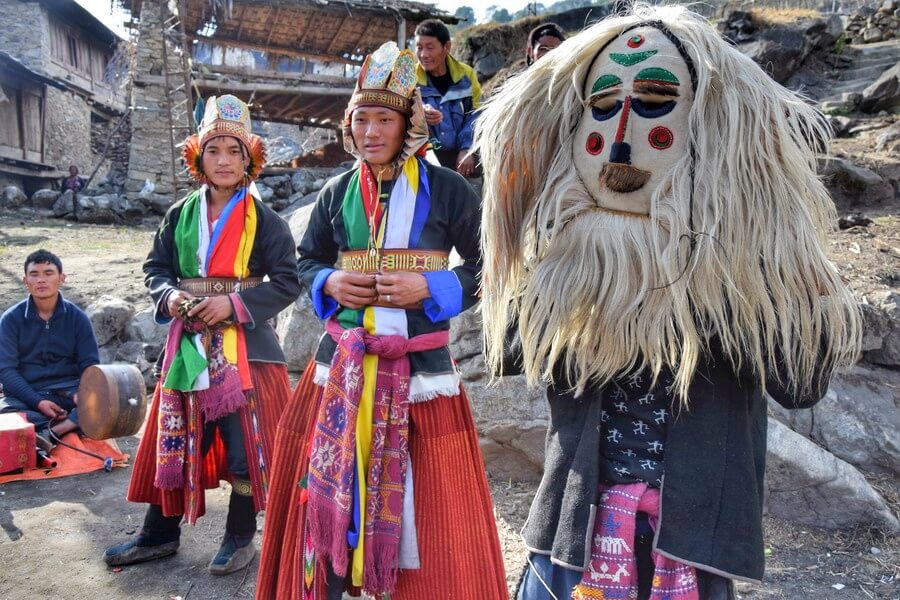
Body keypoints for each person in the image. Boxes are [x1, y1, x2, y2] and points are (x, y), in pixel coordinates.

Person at [475, 4, 861, 600]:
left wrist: (782, 269)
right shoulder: (567, 261)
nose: (620, 138)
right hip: (571, 538)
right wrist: (553, 261)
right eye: (602, 109)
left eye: (654, 103)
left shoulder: (743, 275)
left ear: (711, 130)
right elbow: (509, 350)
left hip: (687, 545)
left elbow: (801, 383)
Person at [256, 41, 507, 599]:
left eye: (385, 119)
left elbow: (493, 266)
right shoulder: (335, 191)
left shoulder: (450, 190)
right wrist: (328, 281)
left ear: (409, 122)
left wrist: (434, 285)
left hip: (420, 369)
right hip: (339, 365)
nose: (371, 131)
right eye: (361, 119)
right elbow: (306, 261)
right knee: (328, 481)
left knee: (430, 499)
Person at [102, 95, 301, 575]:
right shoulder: (179, 215)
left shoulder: (267, 222)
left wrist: (232, 304)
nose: (225, 160)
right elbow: (156, 269)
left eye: (234, 151)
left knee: (243, 447)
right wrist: (168, 295)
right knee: (172, 440)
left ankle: (239, 536)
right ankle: (157, 536)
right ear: (199, 156)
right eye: (214, 150)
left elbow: (287, 282)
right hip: (188, 345)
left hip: (247, 354)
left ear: (249, 158)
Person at [0, 249, 99, 440]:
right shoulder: (11, 319)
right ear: (25, 281)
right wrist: (38, 402)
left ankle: (54, 431)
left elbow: (90, 365)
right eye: (34, 274)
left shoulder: (77, 318)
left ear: (61, 278)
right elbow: (6, 371)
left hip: (69, 394)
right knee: (5, 413)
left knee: (103, 402)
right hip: (28, 394)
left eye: (48, 273)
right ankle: (71, 424)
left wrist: (82, 393)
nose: (41, 280)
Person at [414, 18, 481, 177]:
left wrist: (467, 149)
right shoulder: (410, 79)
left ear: (447, 47)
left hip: (463, 157)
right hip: (426, 159)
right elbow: (400, 112)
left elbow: (476, 114)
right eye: (419, 47)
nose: (423, 54)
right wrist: (419, 112)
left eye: (430, 47)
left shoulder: (466, 75)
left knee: (472, 195)